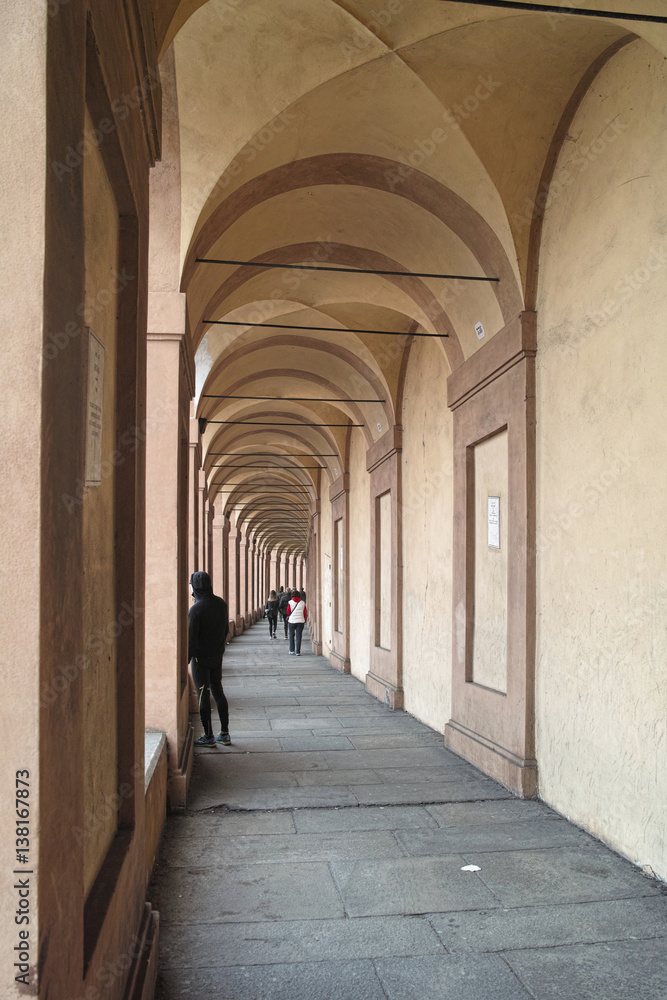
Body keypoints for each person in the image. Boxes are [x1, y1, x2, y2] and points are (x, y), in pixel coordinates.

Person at [188, 570, 231, 747]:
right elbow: (226, 630)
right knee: (218, 691)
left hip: (200, 660)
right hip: (216, 655)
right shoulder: (221, 603)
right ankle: (225, 733)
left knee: (202, 695)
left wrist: (186, 659)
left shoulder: (196, 610)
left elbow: (191, 639)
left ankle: (208, 736)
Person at [286, 589, 308, 656]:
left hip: (292, 621)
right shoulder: (303, 603)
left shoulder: (290, 602)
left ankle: (292, 650)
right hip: (300, 621)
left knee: (291, 635)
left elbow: (288, 612)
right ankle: (298, 651)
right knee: (299, 636)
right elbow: (305, 613)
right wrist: (305, 620)